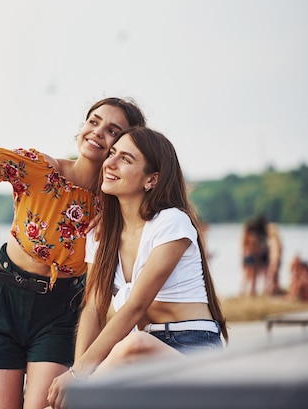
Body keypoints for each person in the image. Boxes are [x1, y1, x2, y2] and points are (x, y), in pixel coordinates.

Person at [0, 52, 146, 409]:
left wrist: (118, 210)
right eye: (94, 121)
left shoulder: (116, 204)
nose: (98, 133)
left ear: (124, 145)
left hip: (61, 310)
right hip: (3, 301)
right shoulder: (38, 168)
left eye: (113, 131)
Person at [47, 127, 228, 409]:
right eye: (112, 153)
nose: (111, 163)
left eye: (126, 159)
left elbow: (135, 306)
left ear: (152, 179)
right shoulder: (101, 235)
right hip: (139, 354)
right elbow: (94, 306)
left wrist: (78, 376)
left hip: (192, 349)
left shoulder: (171, 223)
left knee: (134, 345)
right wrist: (80, 373)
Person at [240, 215, 271, 296]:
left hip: (249, 256)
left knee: (249, 276)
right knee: (250, 276)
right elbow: (254, 247)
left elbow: (244, 248)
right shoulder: (252, 236)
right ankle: (250, 292)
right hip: (252, 256)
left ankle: (247, 292)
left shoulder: (246, 236)